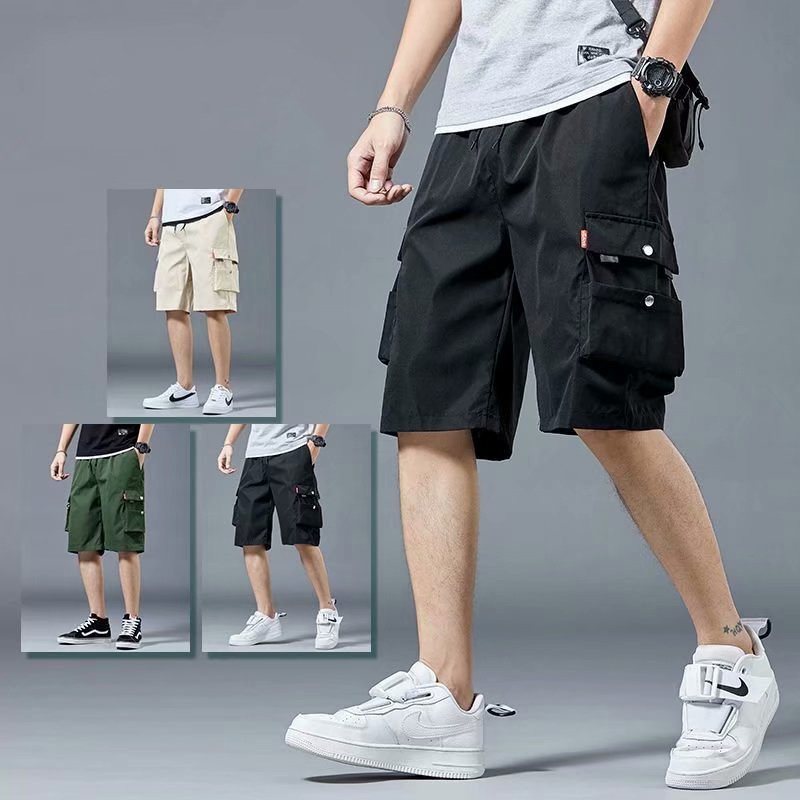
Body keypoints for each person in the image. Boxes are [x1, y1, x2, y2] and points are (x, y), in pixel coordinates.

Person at [285, 0, 779, 787]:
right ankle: (443, 696)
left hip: (591, 99)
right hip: (467, 128)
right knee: (429, 403)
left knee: (604, 398)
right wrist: (393, 107)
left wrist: (654, 81)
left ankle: (731, 653)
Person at [218, 424, 343, 650]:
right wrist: (228, 443)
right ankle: (266, 615)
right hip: (255, 456)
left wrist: (315, 443)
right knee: (249, 538)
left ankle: (328, 610)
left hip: (293, 450)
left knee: (303, 536)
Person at [51, 423, 154, 650]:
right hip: (85, 457)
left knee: (125, 540)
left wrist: (141, 447)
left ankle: (132, 620)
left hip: (122, 450)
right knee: (84, 540)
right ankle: (98, 622)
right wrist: (61, 450)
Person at [143, 188, 244, 415]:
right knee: (172, 304)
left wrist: (229, 207)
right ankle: (185, 389)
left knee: (214, 304)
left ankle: (223, 388)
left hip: (209, 215)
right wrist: (155, 215)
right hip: (171, 225)